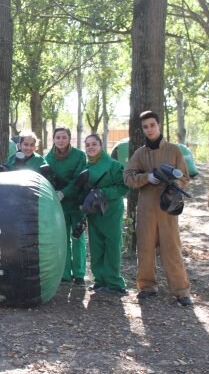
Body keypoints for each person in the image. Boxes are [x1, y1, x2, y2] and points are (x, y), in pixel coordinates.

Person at [124, 110, 192, 306]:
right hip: (145, 207)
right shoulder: (139, 154)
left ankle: (181, 291)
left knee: (172, 248)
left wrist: (173, 184)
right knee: (145, 248)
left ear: (159, 125)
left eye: (152, 125)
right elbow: (128, 177)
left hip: (167, 206)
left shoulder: (174, 150)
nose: (149, 129)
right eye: (145, 127)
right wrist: (147, 178)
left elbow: (185, 178)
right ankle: (147, 287)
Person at [80, 134, 129, 295]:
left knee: (113, 245)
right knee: (96, 245)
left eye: (94, 144)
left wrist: (102, 192)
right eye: (87, 145)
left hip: (111, 211)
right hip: (94, 212)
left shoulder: (114, 166)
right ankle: (99, 279)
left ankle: (114, 281)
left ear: (101, 145)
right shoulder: (85, 167)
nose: (91, 147)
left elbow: (123, 188)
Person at [45, 126, 87, 286]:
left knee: (77, 237)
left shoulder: (80, 156)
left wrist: (64, 192)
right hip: (58, 205)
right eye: (58, 137)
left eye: (64, 137)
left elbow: (79, 179)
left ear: (69, 138)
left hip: (76, 203)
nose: (61, 140)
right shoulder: (48, 158)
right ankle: (65, 274)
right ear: (53, 139)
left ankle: (79, 274)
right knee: (62, 239)